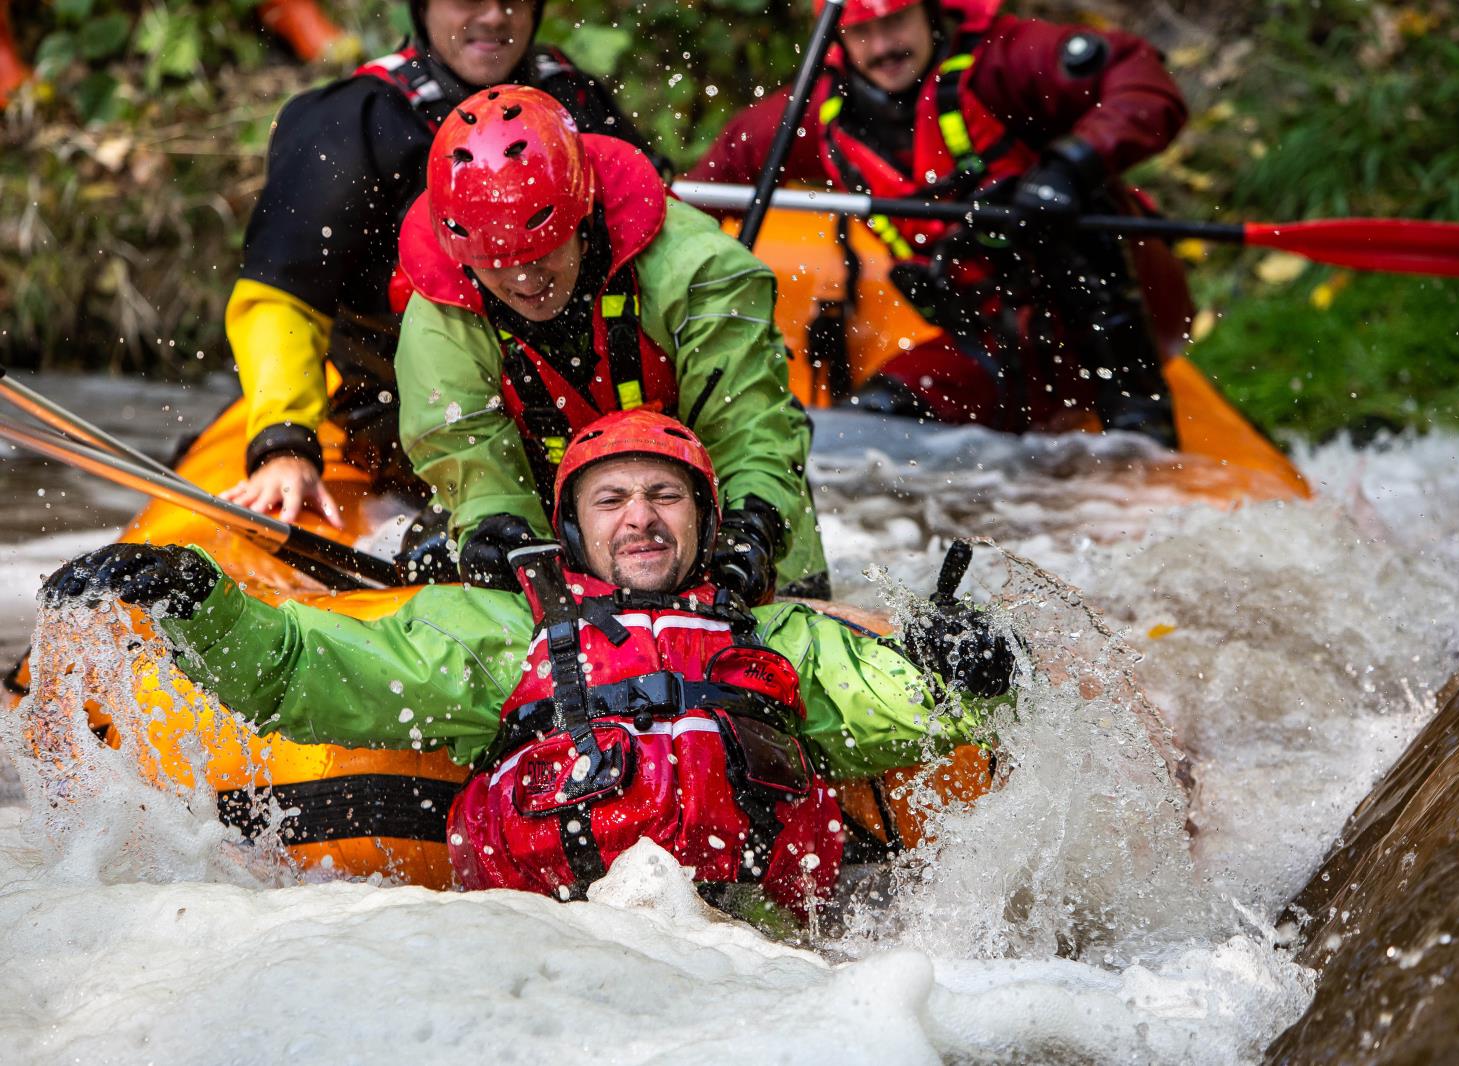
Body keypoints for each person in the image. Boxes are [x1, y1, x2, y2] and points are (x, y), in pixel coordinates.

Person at [43, 410, 1015, 912]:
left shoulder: (777, 638)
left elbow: (901, 705)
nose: (640, 516)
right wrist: (195, 594)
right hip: (548, 952)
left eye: (665, 496)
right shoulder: (497, 632)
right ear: (571, 530)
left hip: (743, 951)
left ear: (706, 521)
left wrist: (962, 669)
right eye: (612, 499)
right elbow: (299, 671)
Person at [222, 0, 662, 532]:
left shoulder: (576, 101)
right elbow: (282, 293)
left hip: (580, 417)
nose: (496, 17)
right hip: (409, 430)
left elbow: (653, 249)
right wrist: (283, 442)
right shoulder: (354, 122)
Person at [393, 85, 829, 603]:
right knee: (446, 553)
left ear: (583, 215)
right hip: (563, 524)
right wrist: (503, 541)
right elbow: (465, 455)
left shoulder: (701, 269)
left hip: (710, 513)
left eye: (543, 251)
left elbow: (750, 428)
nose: (525, 280)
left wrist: (748, 531)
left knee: (762, 587)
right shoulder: (441, 315)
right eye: (497, 262)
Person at [687, 0, 1193, 444]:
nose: (883, 45)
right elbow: (704, 192)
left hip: (1121, 322)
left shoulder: (1004, 60)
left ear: (931, 9)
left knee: (1084, 215)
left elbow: (1142, 80)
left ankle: (1141, 428)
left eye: (897, 21)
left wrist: (1069, 165)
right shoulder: (816, 113)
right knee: (870, 430)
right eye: (863, 31)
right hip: (991, 345)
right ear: (838, 36)